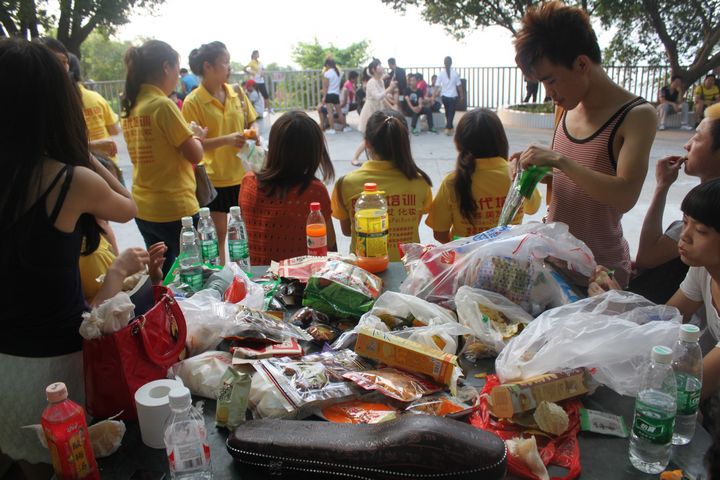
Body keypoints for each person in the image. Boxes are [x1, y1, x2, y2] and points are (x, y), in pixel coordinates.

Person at [0, 37, 136, 474]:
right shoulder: (69, 180)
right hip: (58, 368)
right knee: (67, 464)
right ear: (57, 105)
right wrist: (81, 153)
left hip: (4, 361)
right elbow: (127, 206)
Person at [514, 0, 657, 287]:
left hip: (601, 275)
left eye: (551, 80)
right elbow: (576, 182)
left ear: (581, 64)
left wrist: (559, 161)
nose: (549, 93)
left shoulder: (636, 116)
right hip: (554, 260)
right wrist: (537, 170)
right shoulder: (566, 107)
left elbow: (625, 195)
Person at [591, 179, 720, 408]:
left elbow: (690, 388)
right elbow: (669, 318)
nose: (685, 236)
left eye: (700, 230)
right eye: (685, 222)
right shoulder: (703, 270)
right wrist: (620, 301)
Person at [122, 40, 205, 275]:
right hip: (175, 208)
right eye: (177, 71)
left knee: (162, 273)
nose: (178, 78)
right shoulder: (162, 106)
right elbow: (195, 154)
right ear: (166, 67)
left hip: (143, 207)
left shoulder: (131, 106)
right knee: (191, 276)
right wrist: (197, 136)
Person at [630, 102, 720, 303]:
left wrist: (662, 186)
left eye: (697, 138)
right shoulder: (698, 275)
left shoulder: (709, 214)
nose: (687, 145)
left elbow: (648, 255)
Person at [182, 41, 258, 266]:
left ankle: (245, 278)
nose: (229, 67)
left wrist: (252, 135)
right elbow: (191, 145)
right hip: (214, 178)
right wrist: (226, 140)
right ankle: (222, 281)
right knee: (218, 236)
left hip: (242, 173)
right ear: (208, 66)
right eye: (224, 63)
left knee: (243, 234)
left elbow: (251, 119)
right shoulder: (193, 102)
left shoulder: (236, 92)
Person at [427, 109, 541, 242]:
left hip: (467, 260)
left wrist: (460, 253)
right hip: (509, 259)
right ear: (501, 140)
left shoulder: (451, 182)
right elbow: (533, 209)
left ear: (458, 143)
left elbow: (439, 233)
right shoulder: (517, 175)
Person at [332, 110, 432, 261]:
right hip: (406, 272)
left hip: (365, 274)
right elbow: (413, 226)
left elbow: (347, 231)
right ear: (405, 141)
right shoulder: (420, 183)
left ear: (367, 143)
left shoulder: (345, 184)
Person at [240, 111, 336, 265]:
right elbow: (329, 245)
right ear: (313, 152)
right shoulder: (314, 191)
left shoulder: (248, 182)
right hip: (299, 281)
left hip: (257, 280)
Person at [351, 59, 396, 166]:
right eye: (379, 65)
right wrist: (390, 88)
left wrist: (392, 108)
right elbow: (378, 96)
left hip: (377, 110)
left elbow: (383, 97)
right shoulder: (371, 82)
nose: (382, 67)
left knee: (376, 136)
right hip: (370, 111)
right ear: (373, 70)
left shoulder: (380, 81)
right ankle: (355, 158)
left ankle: (377, 158)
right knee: (369, 138)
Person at [438, 56, 464, 135]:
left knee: (447, 112)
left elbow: (437, 85)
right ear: (451, 63)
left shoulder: (441, 74)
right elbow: (459, 86)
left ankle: (450, 126)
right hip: (453, 96)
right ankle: (448, 127)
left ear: (444, 63)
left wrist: (433, 95)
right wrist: (462, 95)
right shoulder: (455, 73)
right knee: (451, 112)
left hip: (444, 96)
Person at [320, 58, 345, 135]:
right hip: (336, 95)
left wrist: (324, 97)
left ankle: (332, 129)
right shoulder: (338, 73)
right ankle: (344, 127)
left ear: (327, 65)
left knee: (330, 113)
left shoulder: (327, 74)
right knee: (339, 112)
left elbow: (325, 87)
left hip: (329, 95)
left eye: (326, 66)